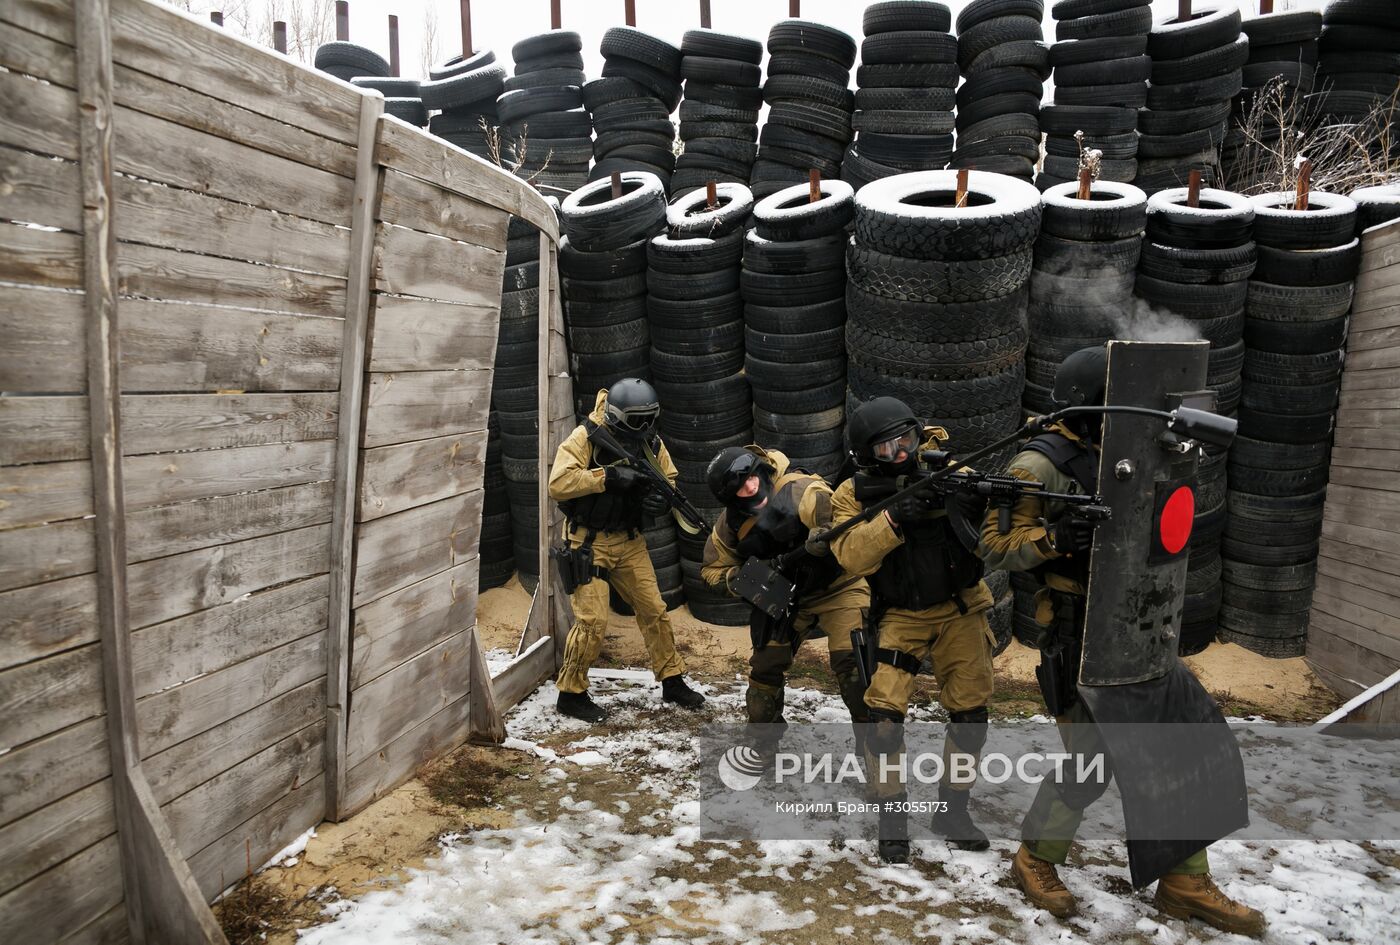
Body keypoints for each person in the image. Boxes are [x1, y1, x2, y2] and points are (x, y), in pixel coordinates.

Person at [979, 346, 1265, 936]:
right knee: (1091, 761)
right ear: (1089, 407)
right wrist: (1056, 536)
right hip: (1079, 631)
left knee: (1180, 746)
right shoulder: (1038, 465)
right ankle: (1035, 857)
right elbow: (995, 547)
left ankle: (1185, 883)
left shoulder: (1133, 446)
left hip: (1139, 621)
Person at [828, 397, 997, 862]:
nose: (900, 453)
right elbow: (850, 555)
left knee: (971, 718)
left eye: (906, 440)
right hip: (900, 614)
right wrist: (895, 515)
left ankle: (952, 811)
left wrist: (970, 502)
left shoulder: (952, 472)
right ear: (866, 455)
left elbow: (993, 539)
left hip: (960, 607)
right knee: (883, 722)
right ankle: (892, 821)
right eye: (886, 449)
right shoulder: (851, 494)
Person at [546, 378, 705, 723]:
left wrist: (659, 500)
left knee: (655, 610)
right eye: (637, 421)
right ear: (618, 417)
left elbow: (669, 479)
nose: (645, 428)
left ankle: (672, 679)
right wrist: (608, 477)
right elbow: (558, 483)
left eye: (650, 419)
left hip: (630, 541)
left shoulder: (650, 443)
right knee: (592, 621)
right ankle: (570, 694)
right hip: (589, 542)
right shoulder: (587, 437)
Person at [700, 445, 871, 725]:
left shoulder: (797, 488)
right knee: (762, 682)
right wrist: (752, 577)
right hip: (784, 597)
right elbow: (711, 570)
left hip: (840, 586)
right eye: (742, 488)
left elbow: (833, 510)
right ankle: (764, 755)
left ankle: (875, 749)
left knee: (854, 669)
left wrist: (824, 534)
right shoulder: (731, 524)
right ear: (731, 499)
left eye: (754, 477)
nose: (753, 487)